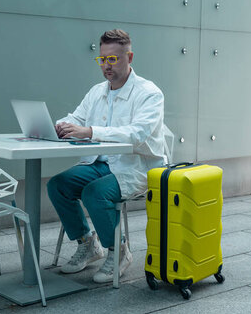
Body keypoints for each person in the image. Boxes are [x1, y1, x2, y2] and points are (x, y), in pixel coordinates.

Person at [47, 29, 166, 283]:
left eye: (113, 59)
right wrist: (61, 126)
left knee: (94, 193)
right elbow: (77, 118)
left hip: (136, 166)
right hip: (101, 163)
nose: (106, 65)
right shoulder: (97, 92)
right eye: (102, 59)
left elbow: (137, 134)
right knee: (58, 185)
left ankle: (119, 251)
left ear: (129, 57)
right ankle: (87, 243)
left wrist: (89, 131)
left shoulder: (149, 93)